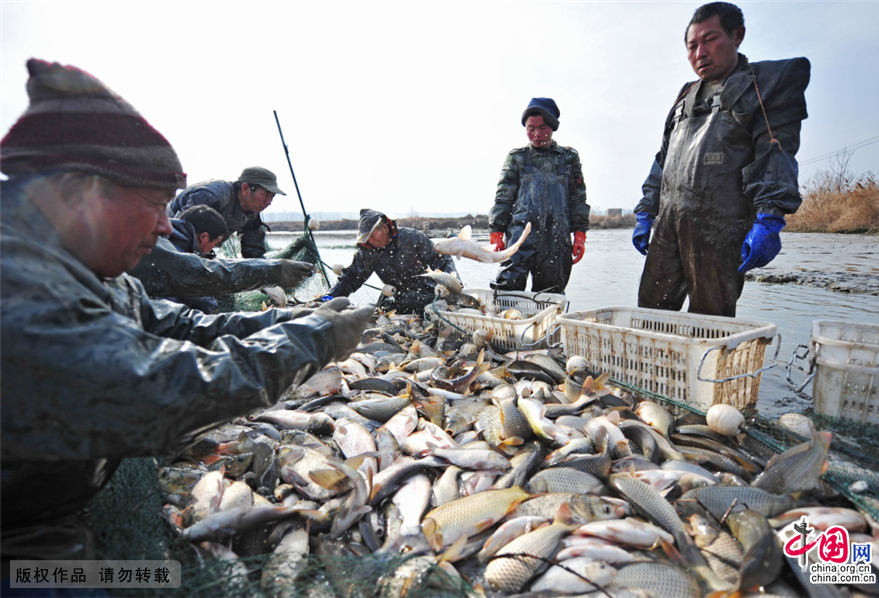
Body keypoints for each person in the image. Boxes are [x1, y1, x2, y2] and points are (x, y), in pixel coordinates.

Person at [0, 58, 374, 563]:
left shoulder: (76, 264)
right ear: (79, 192)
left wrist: (283, 320)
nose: (163, 227)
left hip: (39, 516)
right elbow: (156, 390)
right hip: (18, 545)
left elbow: (171, 321)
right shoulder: (17, 281)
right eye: (155, 204)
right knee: (149, 579)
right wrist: (313, 342)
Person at [632, 2, 810, 317]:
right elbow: (663, 160)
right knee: (650, 311)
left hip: (720, 228)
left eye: (709, 40)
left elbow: (775, 153)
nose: (700, 52)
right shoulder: (684, 97)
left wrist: (769, 218)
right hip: (669, 224)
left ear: (737, 35)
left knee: (709, 322)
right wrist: (647, 212)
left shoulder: (763, 85)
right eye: (692, 45)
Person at [488, 97, 590, 293]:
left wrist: (580, 235)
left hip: (557, 239)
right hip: (519, 238)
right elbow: (503, 197)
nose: (536, 134)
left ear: (552, 127)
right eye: (530, 128)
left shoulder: (569, 158)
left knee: (550, 295)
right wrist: (496, 232)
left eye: (542, 127)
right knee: (507, 290)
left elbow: (578, 199)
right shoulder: (516, 158)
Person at [326, 209, 460, 315]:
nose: (370, 241)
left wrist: (453, 283)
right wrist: (330, 297)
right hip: (397, 297)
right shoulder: (368, 252)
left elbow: (442, 259)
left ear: (385, 228)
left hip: (426, 293)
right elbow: (351, 278)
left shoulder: (412, 238)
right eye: (366, 238)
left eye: (372, 236)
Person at [168, 165, 285, 258]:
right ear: (245, 189)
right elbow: (181, 234)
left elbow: (254, 252)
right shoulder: (212, 196)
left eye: (272, 197)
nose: (269, 202)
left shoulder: (252, 213)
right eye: (266, 195)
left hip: (198, 248)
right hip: (164, 235)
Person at [156, 205, 229, 313]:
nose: (212, 249)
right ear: (204, 237)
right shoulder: (186, 261)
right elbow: (206, 308)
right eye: (215, 244)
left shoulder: (164, 242)